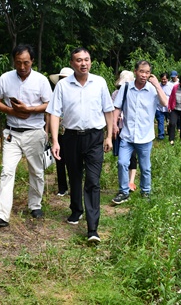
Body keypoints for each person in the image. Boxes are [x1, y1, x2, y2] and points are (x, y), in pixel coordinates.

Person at [46, 48, 114, 244]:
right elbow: (54, 113)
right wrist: (55, 141)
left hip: (94, 137)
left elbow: (108, 110)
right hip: (71, 137)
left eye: (86, 59)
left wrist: (109, 136)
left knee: (93, 180)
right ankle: (76, 210)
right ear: (72, 63)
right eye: (78, 60)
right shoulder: (63, 86)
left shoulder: (99, 82)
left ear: (90, 62)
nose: (83, 63)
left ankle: (92, 228)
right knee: (74, 176)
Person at [0, 44, 52, 229]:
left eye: (26, 62)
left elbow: (49, 104)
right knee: (7, 171)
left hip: (34, 132)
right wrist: (11, 111)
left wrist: (29, 109)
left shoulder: (41, 80)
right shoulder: (5, 78)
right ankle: (2, 214)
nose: (22, 66)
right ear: (14, 62)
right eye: (18, 63)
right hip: (12, 133)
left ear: (32, 61)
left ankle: (35, 205)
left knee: (36, 170)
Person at [112, 60, 168, 204]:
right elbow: (117, 107)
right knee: (122, 163)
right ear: (135, 71)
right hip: (127, 135)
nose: (144, 75)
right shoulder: (126, 88)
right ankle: (124, 192)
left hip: (145, 136)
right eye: (141, 71)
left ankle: (145, 192)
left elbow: (165, 103)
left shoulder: (152, 89)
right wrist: (114, 124)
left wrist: (157, 85)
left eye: (147, 72)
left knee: (145, 168)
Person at [48, 67, 74, 196]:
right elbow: (50, 114)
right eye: (61, 78)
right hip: (59, 132)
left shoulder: (76, 94)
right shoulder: (55, 94)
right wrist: (48, 131)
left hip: (72, 132)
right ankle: (62, 188)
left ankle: (74, 186)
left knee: (73, 160)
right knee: (59, 160)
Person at [111, 70, 139, 192]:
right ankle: (124, 181)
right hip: (119, 128)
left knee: (133, 156)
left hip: (131, 129)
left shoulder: (135, 94)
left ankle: (131, 181)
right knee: (122, 158)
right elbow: (112, 110)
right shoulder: (115, 94)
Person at [155, 72, 173, 140]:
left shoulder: (171, 86)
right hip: (159, 107)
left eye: (165, 79)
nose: (163, 81)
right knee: (160, 121)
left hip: (168, 107)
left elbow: (173, 97)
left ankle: (170, 133)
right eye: (162, 79)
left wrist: (171, 106)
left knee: (170, 122)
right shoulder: (157, 85)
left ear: (167, 79)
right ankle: (161, 135)